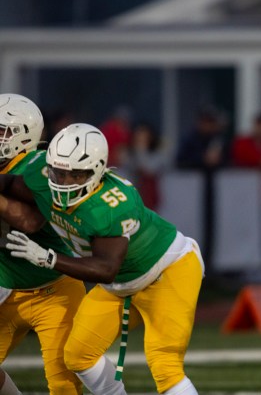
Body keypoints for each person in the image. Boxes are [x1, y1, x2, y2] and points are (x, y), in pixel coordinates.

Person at [2, 123, 205, 395]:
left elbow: (105, 268)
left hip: (167, 271)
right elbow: (10, 183)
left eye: (75, 175)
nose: (63, 182)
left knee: (164, 363)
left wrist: (49, 258)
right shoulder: (41, 178)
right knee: (77, 355)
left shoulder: (110, 207)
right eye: (58, 172)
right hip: (122, 283)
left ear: (96, 170)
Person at [0, 93, 86, 395]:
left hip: (55, 290)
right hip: (9, 290)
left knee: (63, 384)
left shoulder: (37, 164)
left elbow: (30, 221)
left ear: (23, 134)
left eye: (1, 131)